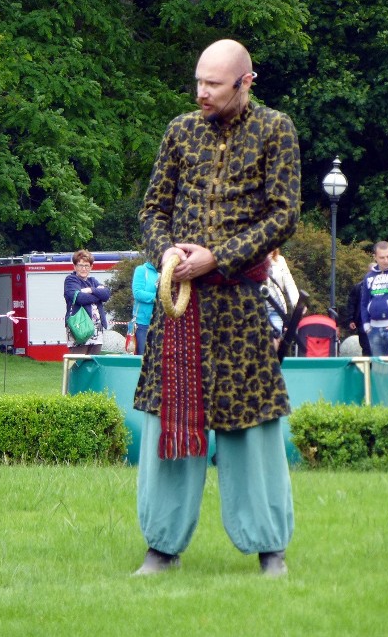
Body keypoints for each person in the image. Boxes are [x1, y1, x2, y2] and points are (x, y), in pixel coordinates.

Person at [133, 39, 300, 578]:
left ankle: (269, 547)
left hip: (240, 308)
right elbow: (153, 209)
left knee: (250, 425)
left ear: (245, 81)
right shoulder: (180, 131)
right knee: (169, 423)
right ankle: (162, 547)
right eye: (198, 82)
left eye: (214, 84)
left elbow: (283, 216)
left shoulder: (276, 130)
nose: (201, 92)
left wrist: (218, 258)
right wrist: (166, 251)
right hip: (179, 309)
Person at [64, 250, 111, 355]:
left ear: (91, 267)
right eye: (80, 265)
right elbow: (80, 298)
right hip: (79, 328)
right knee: (77, 363)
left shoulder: (93, 281)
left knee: (93, 364)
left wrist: (91, 290)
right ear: (75, 266)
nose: (84, 268)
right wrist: (98, 295)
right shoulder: (71, 280)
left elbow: (106, 294)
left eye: (86, 265)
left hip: (97, 330)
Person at [264, 248, 300, 340]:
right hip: (257, 308)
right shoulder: (253, 261)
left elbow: (289, 283)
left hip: (276, 308)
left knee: (276, 337)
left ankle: (273, 354)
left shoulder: (280, 260)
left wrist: (297, 304)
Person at [344, 264, 374, 356]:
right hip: (363, 323)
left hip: (378, 323)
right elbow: (351, 304)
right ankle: (367, 369)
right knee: (366, 348)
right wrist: (351, 319)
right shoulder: (358, 287)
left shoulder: (385, 288)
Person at [131, 260, 159, 356]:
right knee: (143, 359)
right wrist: (159, 297)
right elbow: (138, 293)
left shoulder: (166, 272)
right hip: (143, 324)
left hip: (161, 324)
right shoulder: (142, 270)